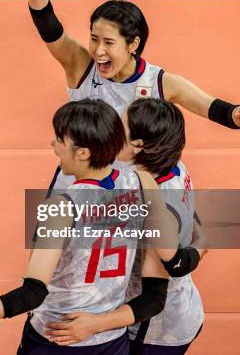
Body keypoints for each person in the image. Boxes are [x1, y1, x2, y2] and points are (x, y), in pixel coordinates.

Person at [0, 99, 177, 354]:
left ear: (83, 153)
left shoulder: (61, 206)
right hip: (111, 341)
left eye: (60, 140)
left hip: (56, 338)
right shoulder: (143, 183)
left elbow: (32, 293)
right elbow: (162, 276)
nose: (53, 144)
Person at [23, 0, 240, 191]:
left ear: (133, 44)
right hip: (79, 180)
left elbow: (211, 107)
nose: (98, 50)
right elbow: (49, 27)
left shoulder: (158, 82)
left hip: (129, 186)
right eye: (94, 39)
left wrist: (236, 114)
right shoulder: (81, 66)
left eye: (108, 42)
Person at [45, 99, 206, 354]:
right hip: (173, 306)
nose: (113, 131)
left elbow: (173, 269)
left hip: (152, 330)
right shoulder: (169, 164)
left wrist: (95, 324)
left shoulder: (157, 201)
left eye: (121, 127)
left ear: (138, 146)